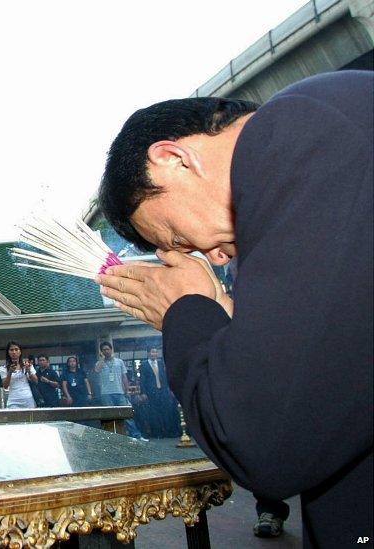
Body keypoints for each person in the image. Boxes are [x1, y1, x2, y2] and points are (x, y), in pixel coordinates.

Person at [96, 71, 373, 546]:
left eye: (178, 239)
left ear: (172, 159)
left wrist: (185, 309)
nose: (214, 255)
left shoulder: (291, 132)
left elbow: (267, 444)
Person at [93, 342, 146, 440]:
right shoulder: (99, 362)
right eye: (104, 349)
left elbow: (124, 377)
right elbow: (97, 370)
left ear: (111, 349)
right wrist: (102, 359)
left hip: (120, 392)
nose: (106, 351)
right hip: (106, 394)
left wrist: (126, 390)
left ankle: (136, 435)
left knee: (126, 415)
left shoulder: (119, 361)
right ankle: (113, 438)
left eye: (108, 349)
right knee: (109, 416)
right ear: (101, 351)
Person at [138, 348, 179, 438]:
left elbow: (165, 377)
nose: (154, 354)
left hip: (163, 391)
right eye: (152, 352)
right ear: (148, 353)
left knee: (165, 411)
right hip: (151, 392)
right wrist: (143, 393)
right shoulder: (144, 365)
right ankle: (157, 433)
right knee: (154, 413)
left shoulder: (160, 363)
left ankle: (167, 432)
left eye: (156, 352)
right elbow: (142, 380)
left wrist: (170, 389)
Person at [0, 341, 37, 409]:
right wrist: (9, 372)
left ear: (20, 352)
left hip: (28, 399)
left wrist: (29, 370)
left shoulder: (27, 365)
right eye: (11, 350)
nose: (14, 352)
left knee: (30, 419)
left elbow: (36, 381)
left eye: (16, 349)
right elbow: (5, 386)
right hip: (13, 400)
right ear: (8, 352)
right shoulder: (3, 368)